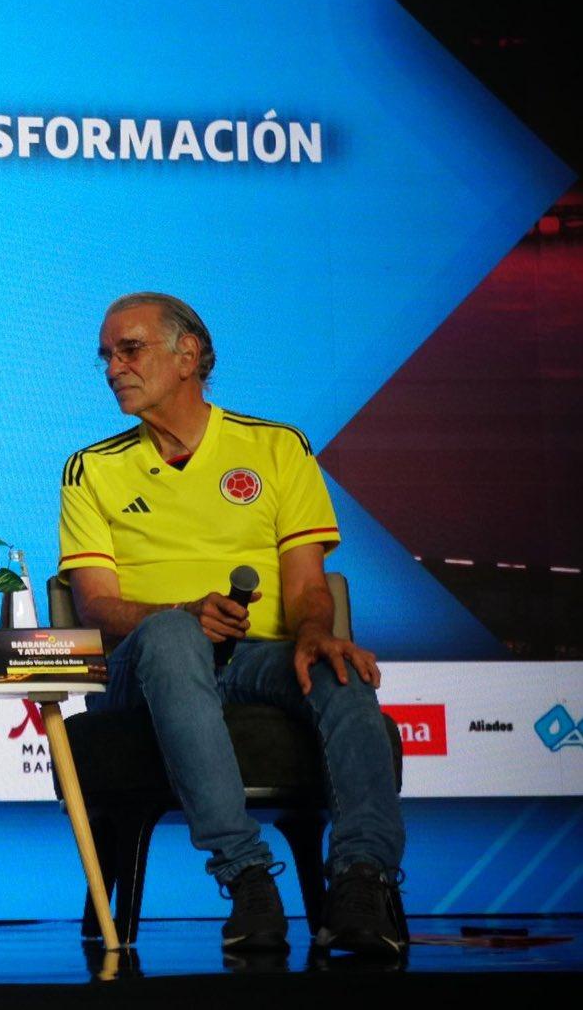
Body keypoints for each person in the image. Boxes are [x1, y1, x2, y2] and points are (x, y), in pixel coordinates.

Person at [58, 292, 406, 957]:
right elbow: (97, 605)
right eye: (106, 356)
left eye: (129, 349)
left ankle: (363, 879)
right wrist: (183, 613)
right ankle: (245, 875)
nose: (113, 368)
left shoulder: (277, 448)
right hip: (146, 664)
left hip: (258, 658)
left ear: (188, 354)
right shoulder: (91, 468)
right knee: (169, 637)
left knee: (339, 668)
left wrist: (314, 633)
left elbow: (309, 587)